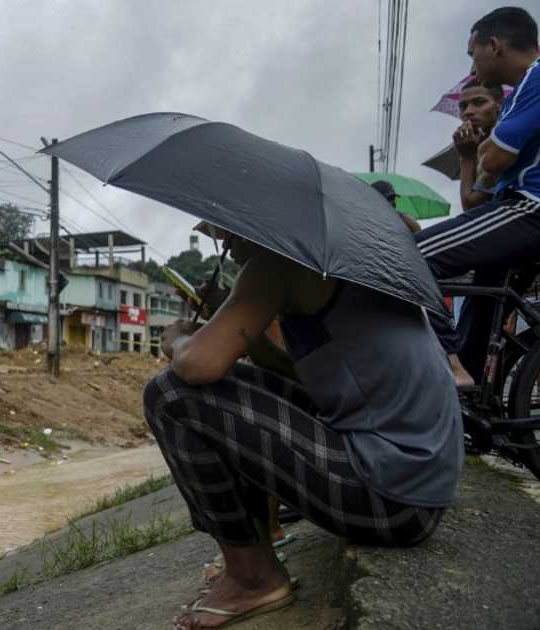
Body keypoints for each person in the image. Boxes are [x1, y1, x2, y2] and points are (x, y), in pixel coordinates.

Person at [148, 228, 460, 629]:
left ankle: (252, 578)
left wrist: (178, 339)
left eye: (225, 233)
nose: (226, 245)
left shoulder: (275, 261)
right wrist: (247, 338)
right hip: (418, 487)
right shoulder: (346, 261)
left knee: (170, 394)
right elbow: (311, 382)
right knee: (232, 388)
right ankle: (260, 548)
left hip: (394, 499)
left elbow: (196, 365)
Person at [416, 7, 540, 388]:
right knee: (480, 320)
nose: (471, 64)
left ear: (494, 45)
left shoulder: (535, 78)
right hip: (514, 207)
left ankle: (453, 371)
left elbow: (496, 157)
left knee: (411, 257)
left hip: (531, 208)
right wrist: (472, 157)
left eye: (472, 53)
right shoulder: (520, 90)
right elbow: (475, 201)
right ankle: (472, 392)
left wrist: (487, 154)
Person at [454, 79, 505, 210]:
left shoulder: (504, 142)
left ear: (499, 105)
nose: (468, 112)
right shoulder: (478, 145)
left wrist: (466, 157)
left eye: (479, 102)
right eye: (463, 106)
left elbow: (470, 206)